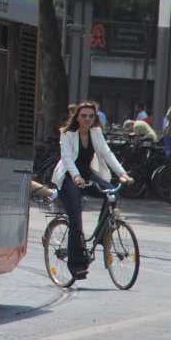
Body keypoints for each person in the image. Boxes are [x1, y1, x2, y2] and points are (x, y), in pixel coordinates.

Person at [51, 101, 133, 280]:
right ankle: (76, 264)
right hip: (69, 178)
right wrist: (76, 177)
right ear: (77, 117)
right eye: (84, 116)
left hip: (87, 174)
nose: (87, 119)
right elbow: (67, 159)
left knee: (112, 192)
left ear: (95, 117)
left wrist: (123, 173)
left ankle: (104, 235)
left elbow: (107, 153)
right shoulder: (67, 134)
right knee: (76, 221)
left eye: (91, 116)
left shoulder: (96, 133)